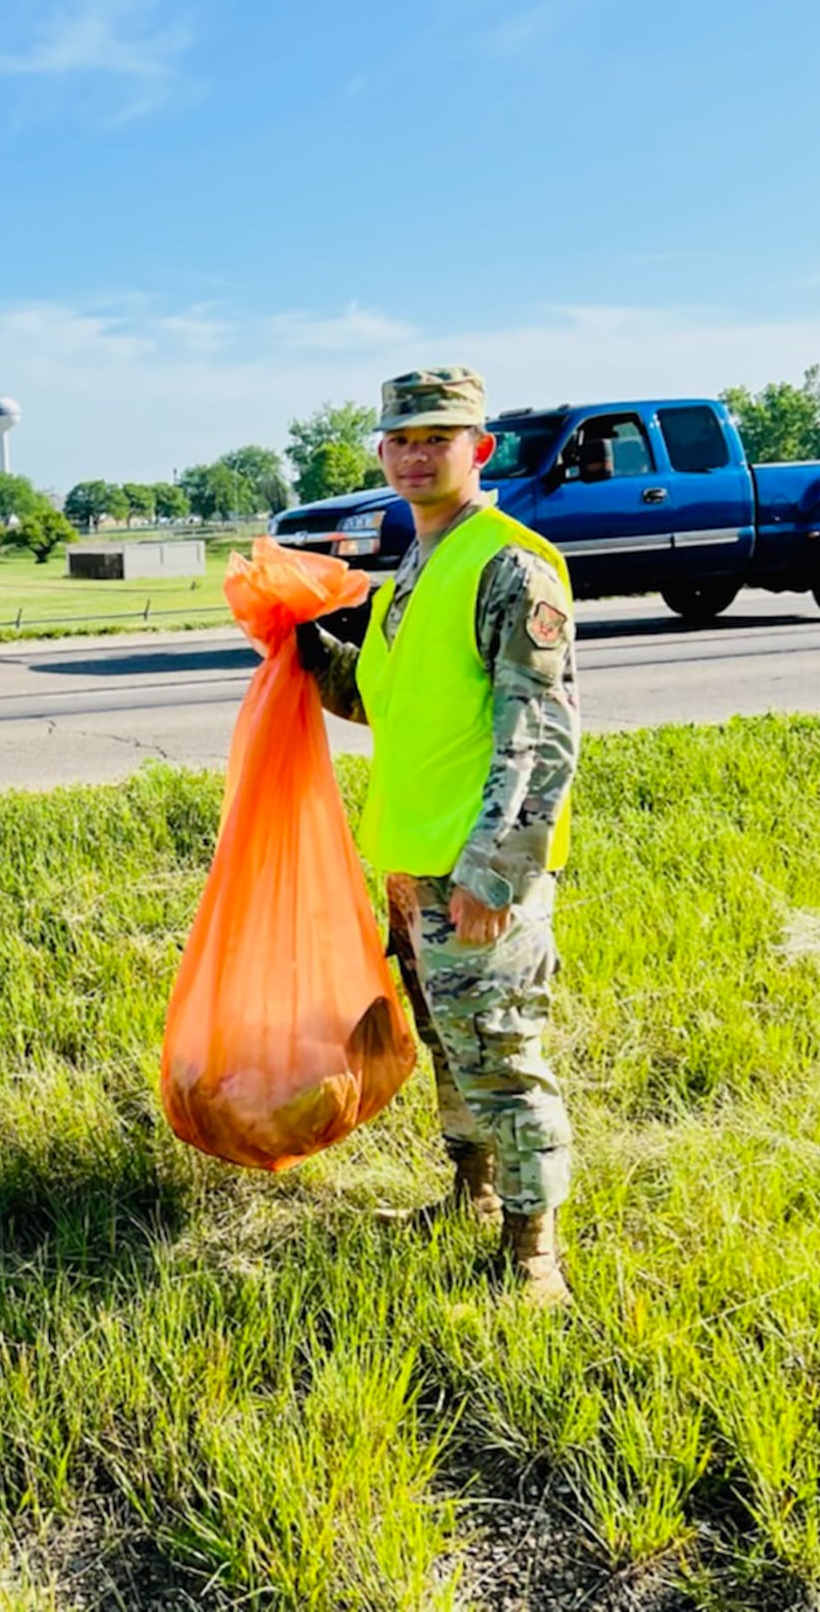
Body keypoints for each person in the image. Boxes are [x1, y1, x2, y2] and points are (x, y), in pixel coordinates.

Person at [297, 366, 580, 1306]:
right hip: (411, 868)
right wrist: (297, 644)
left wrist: (494, 875)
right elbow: (382, 702)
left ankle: (533, 1249)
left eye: (439, 438)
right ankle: (471, 1192)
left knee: (501, 1054)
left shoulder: (508, 565)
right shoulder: (409, 572)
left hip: (473, 870)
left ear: (480, 450)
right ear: (381, 452)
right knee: (450, 1046)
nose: (418, 454)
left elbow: (539, 738)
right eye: (402, 439)